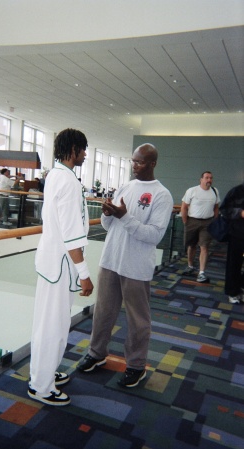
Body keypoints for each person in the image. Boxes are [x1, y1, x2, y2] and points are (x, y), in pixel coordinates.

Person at [77, 143, 173, 388]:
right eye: (133, 161)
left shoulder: (162, 195)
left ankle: (136, 366)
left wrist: (124, 217)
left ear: (152, 163)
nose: (134, 165)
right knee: (103, 312)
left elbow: (154, 236)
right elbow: (111, 227)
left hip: (136, 267)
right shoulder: (126, 186)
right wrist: (109, 214)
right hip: (111, 260)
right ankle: (96, 353)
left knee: (138, 320)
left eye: (140, 162)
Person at [28, 128, 94, 406]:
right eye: (83, 150)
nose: (85, 154)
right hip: (59, 264)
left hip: (53, 263)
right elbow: (70, 232)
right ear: (73, 149)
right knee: (52, 326)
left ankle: (44, 372)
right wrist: (85, 275)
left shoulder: (56, 175)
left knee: (51, 323)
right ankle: (42, 387)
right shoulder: (67, 181)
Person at [181, 171, 220, 282]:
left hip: (207, 223)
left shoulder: (214, 191)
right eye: (207, 178)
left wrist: (215, 220)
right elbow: (184, 207)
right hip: (192, 221)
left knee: (204, 246)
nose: (209, 180)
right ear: (201, 179)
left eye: (211, 178)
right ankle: (190, 266)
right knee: (191, 245)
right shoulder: (192, 191)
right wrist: (185, 222)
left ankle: (201, 273)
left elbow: (216, 207)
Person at [219, 181, 244, 304]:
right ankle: (233, 292)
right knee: (234, 264)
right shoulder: (236, 191)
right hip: (237, 234)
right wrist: (240, 213)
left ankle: (241, 287)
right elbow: (224, 209)